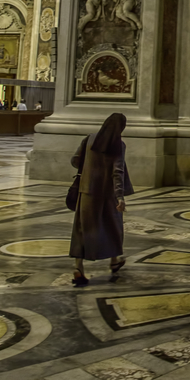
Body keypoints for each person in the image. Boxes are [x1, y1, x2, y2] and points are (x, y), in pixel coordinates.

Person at [69, 112, 134, 287]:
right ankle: (114, 259)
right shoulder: (118, 144)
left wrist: (90, 165)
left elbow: (75, 160)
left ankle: (78, 268)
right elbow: (117, 171)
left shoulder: (90, 139)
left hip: (86, 191)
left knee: (82, 230)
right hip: (107, 194)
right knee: (113, 226)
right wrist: (120, 196)